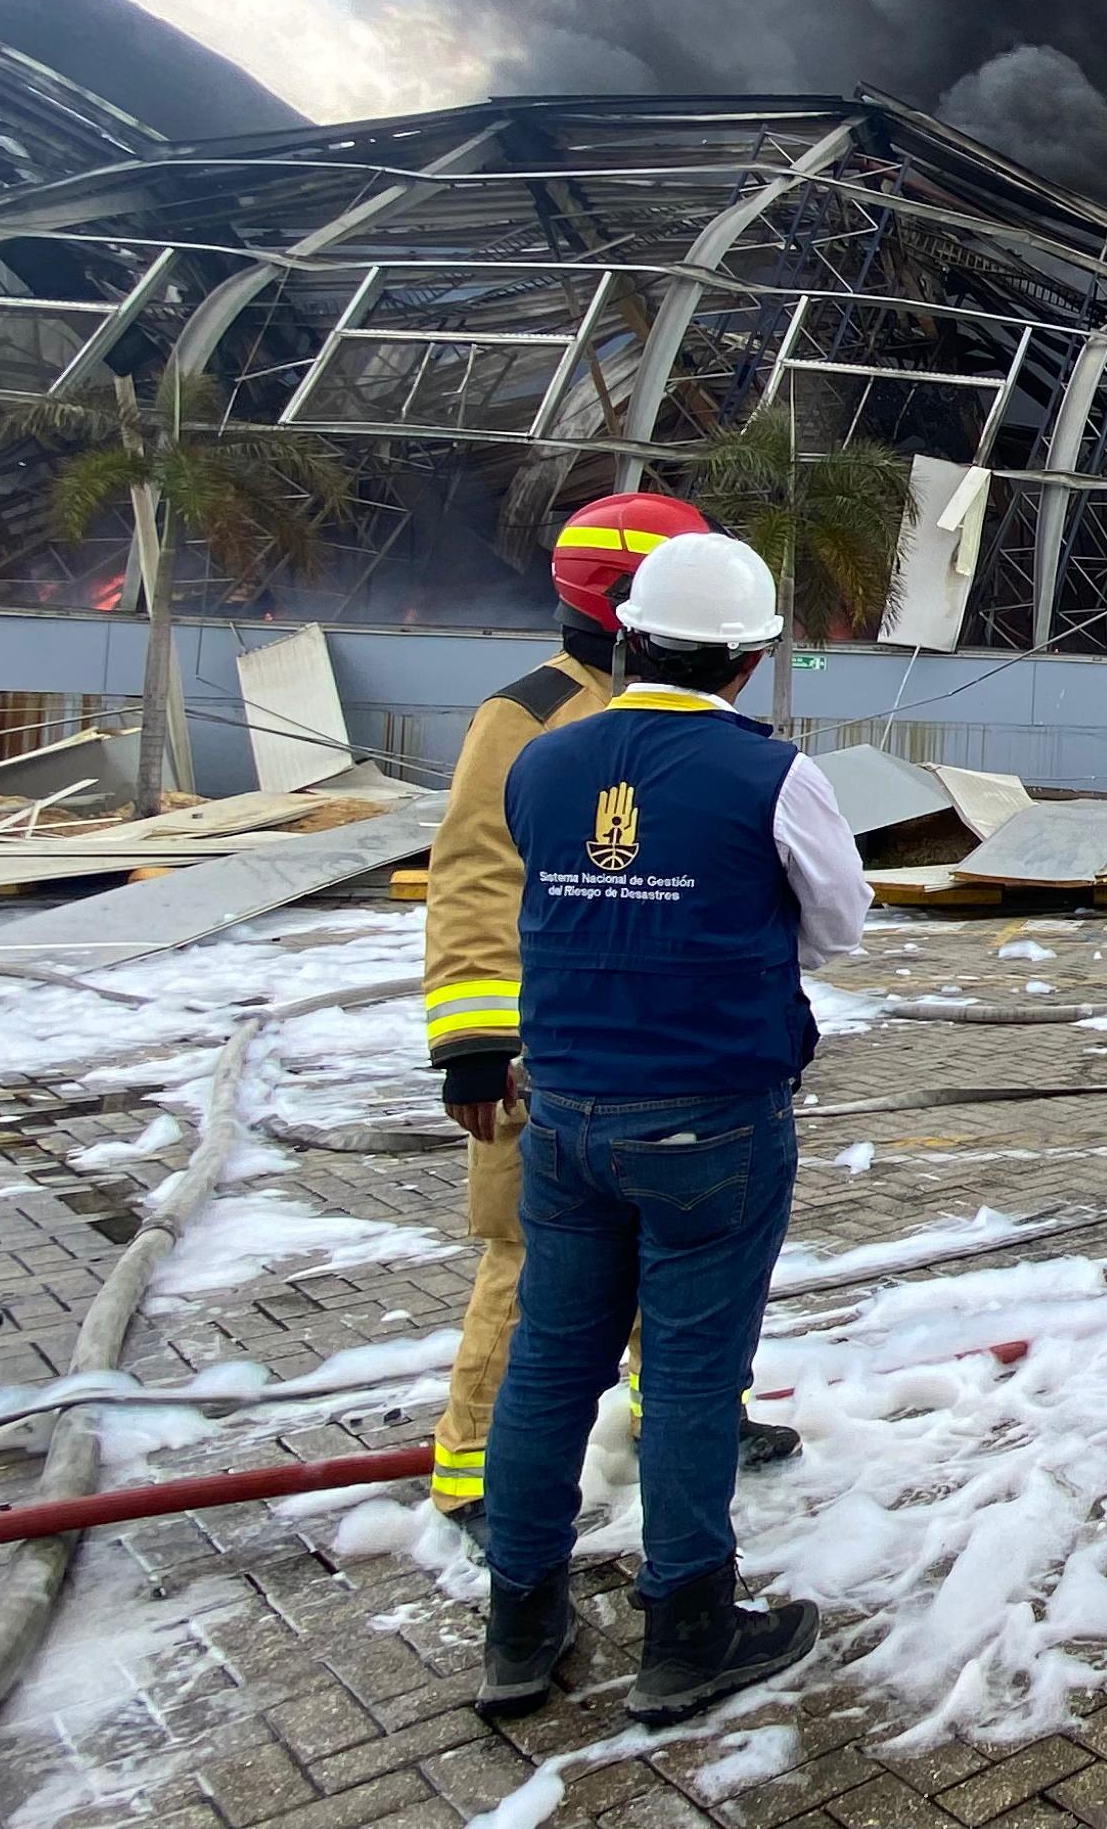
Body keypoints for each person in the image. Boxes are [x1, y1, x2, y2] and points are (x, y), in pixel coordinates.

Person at [472, 530, 869, 1725]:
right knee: (694, 1376)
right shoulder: (773, 774)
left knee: (550, 1363)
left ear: (628, 633)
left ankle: (519, 1622)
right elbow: (837, 926)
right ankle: (688, 1628)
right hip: (710, 1125)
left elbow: (549, 892)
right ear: (747, 663)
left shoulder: (543, 765)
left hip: (568, 1116)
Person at [420, 492, 800, 1527]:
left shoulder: (649, 708)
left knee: (680, 1259)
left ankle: (681, 1415)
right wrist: (473, 1043)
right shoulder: (535, 716)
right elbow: (473, 878)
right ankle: (477, 1479)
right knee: (532, 1266)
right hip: (554, 1058)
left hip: (671, 1054)